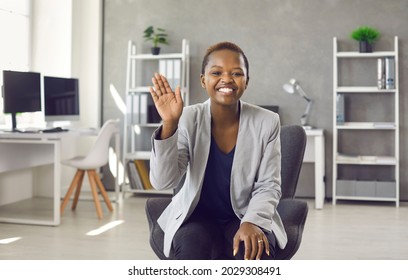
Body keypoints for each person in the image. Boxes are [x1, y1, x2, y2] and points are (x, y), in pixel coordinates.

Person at [148, 42, 287, 260]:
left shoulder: (268, 122)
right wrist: (169, 125)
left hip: (245, 214)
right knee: (191, 251)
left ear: (246, 81)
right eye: (216, 72)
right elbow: (162, 182)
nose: (227, 79)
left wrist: (252, 222)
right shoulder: (187, 118)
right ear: (204, 80)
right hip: (196, 217)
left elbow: (269, 184)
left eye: (237, 73)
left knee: (255, 255)